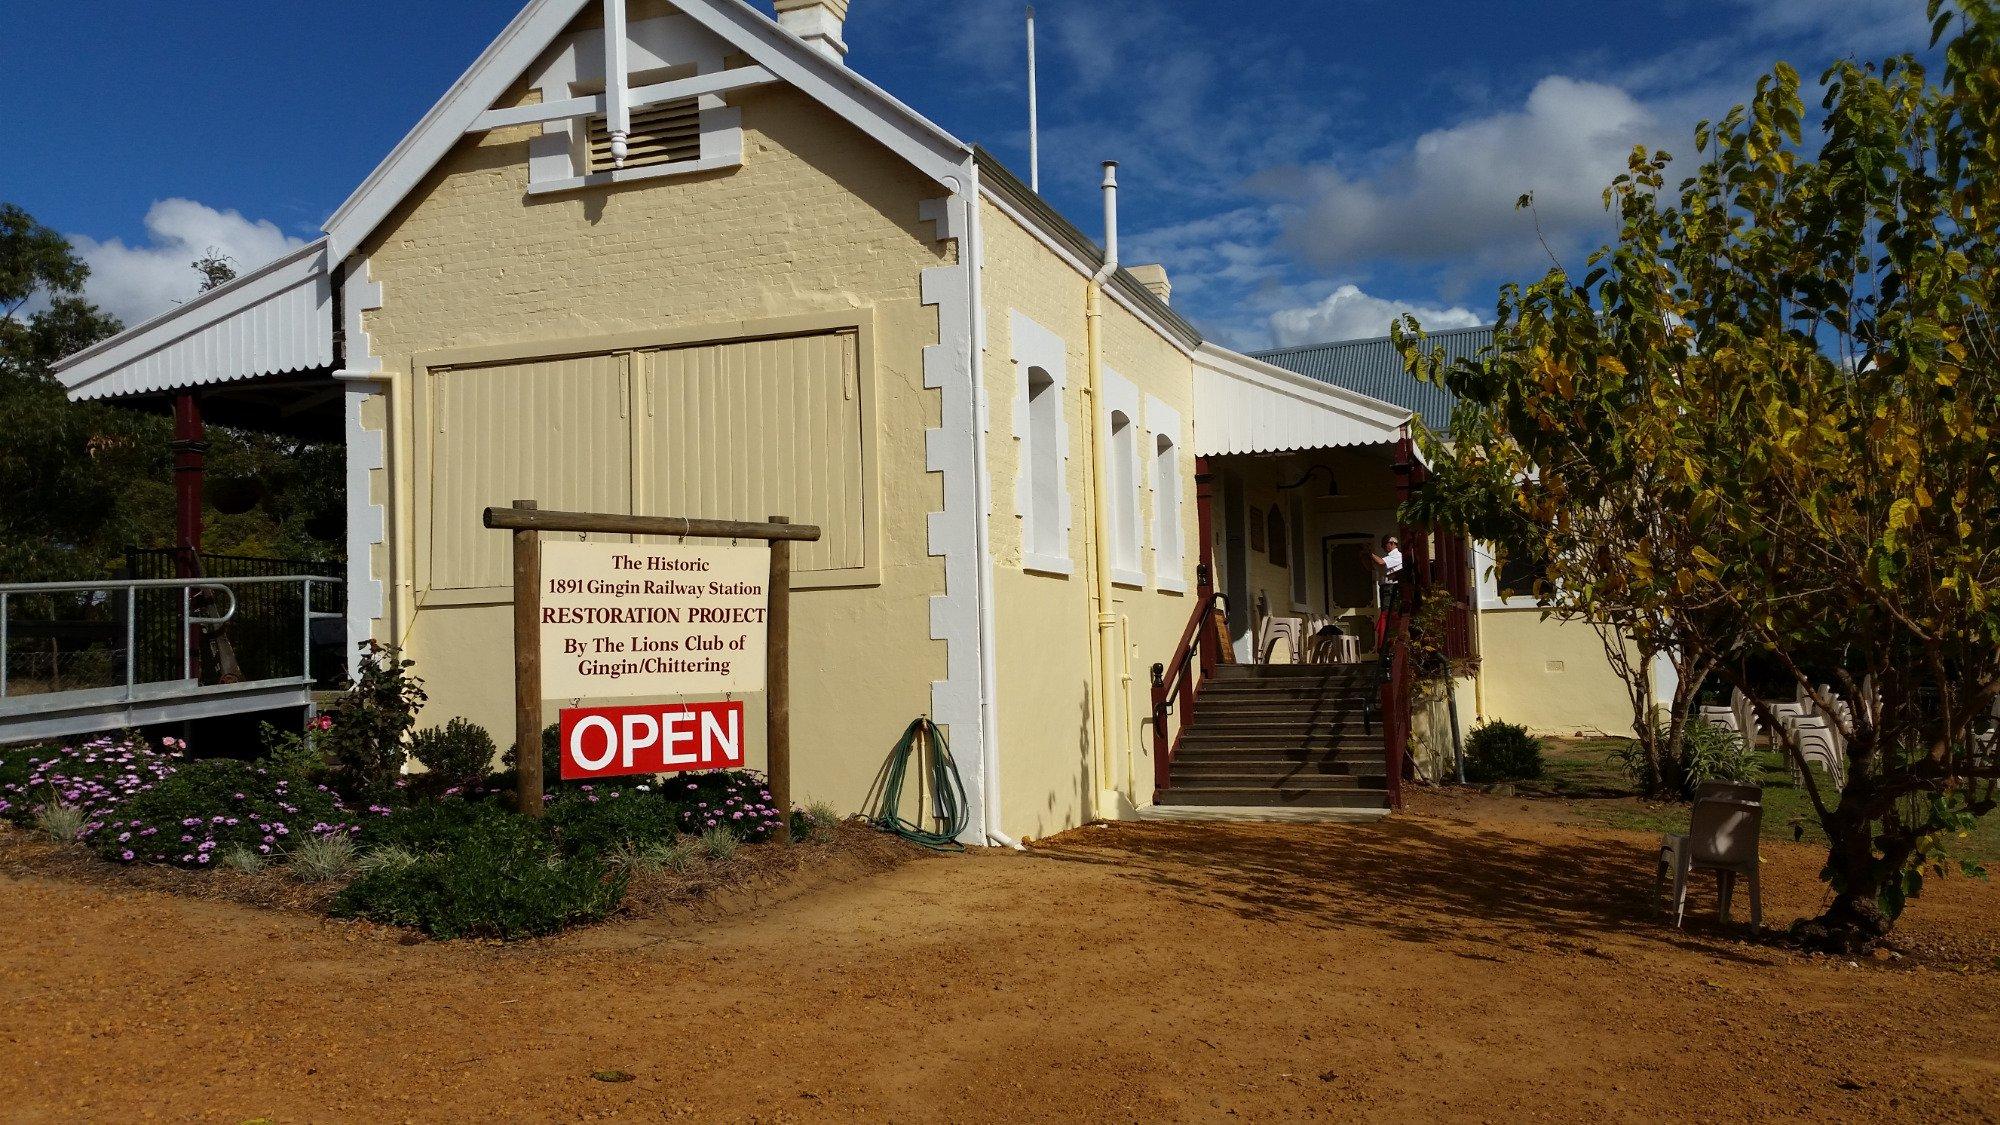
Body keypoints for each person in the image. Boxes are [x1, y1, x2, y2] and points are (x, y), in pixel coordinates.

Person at [1370, 535, 1404, 649]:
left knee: (1388, 614)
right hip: (1385, 588)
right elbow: (1372, 567)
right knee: (1386, 614)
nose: (1384, 547)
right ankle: (1385, 641)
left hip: (1391, 588)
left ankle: (1386, 642)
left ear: (1392, 543)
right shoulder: (1388, 558)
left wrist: (1370, 553)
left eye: (1385, 544)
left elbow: (1380, 563)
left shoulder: (1397, 556)